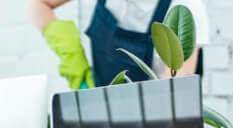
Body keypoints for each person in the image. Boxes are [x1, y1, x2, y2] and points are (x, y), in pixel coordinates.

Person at [28, 0, 209, 89]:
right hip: (98, 110)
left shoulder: (184, 10)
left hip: (151, 127)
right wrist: (71, 56)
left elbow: (176, 100)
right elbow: (38, 4)